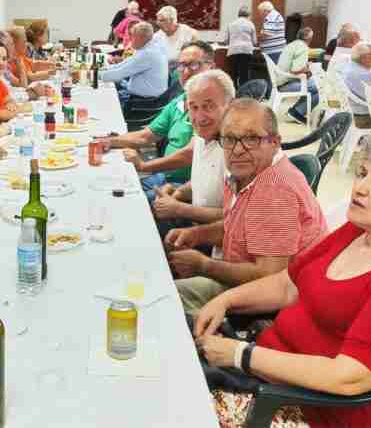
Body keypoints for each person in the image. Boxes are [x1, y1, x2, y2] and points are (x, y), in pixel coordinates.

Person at [195, 129, 371, 428]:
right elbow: (287, 285)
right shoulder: (356, 232)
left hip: (308, 411)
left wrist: (241, 355)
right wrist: (225, 300)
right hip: (262, 374)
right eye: (362, 173)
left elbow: (349, 377)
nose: (360, 188)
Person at [165, 99, 327, 315]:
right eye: (230, 139)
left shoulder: (274, 190)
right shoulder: (243, 171)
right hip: (243, 274)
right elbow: (237, 225)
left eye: (251, 138)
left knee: (164, 302)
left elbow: (269, 277)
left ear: (275, 142)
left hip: (275, 301)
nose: (238, 150)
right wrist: (196, 234)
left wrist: (204, 265)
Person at [104, 41, 215, 201]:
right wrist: (108, 141)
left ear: (211, 67)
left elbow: (190, 154)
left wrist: (144, 166)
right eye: (182, 65)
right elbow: (146, 136)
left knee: (130, 200)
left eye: (194, 65)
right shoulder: (180, 100)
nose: (186, 72)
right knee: (114, 187)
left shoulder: (212, 107)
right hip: (164, 175)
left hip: (188, 185)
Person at [152, 70, 233, 245]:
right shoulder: (201, 137)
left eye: (209, 106)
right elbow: (205, 180)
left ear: (229, 105)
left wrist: (180, 209)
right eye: (194, 107)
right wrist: (178, 193)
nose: (199, 117)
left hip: (217, 239)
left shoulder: (238, 151)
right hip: (195, 223)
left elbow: (235, 216)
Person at [100, 21, 170, 108]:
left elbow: (119, 74)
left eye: (132, 36)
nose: (129, 39)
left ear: (141, 38)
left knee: (103, 101)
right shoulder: (149, 47)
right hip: (139, 95)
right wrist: (103, 69)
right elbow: (123, 65)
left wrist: (93, 75)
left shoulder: (148, 54)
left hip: (143, 102)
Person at [272, 27, 319, 124]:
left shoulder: (292, 44)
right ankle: (297, 112)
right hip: (285, 84)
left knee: (312, 84)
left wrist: (305, 68)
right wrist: (308, 69)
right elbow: (296, 70)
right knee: (319, 88)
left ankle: (296, 110)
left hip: (280, 80)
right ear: (309, 38)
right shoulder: (303, 47)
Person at [340, 43, 371, 127]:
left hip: (351, 110)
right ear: (364, 57)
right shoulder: (364, 74)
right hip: (363, 115)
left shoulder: (349, 66)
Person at [220, 5, 257, 88]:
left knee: (233, 74)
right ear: (248, 15)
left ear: (238, 14)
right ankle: (244, 94)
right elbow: (254, 41)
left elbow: (225, 41)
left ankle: (233, 93)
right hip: (246, 51)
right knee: (244, 74)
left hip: (233, 51)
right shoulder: (250, 24)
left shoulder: (231, 24)